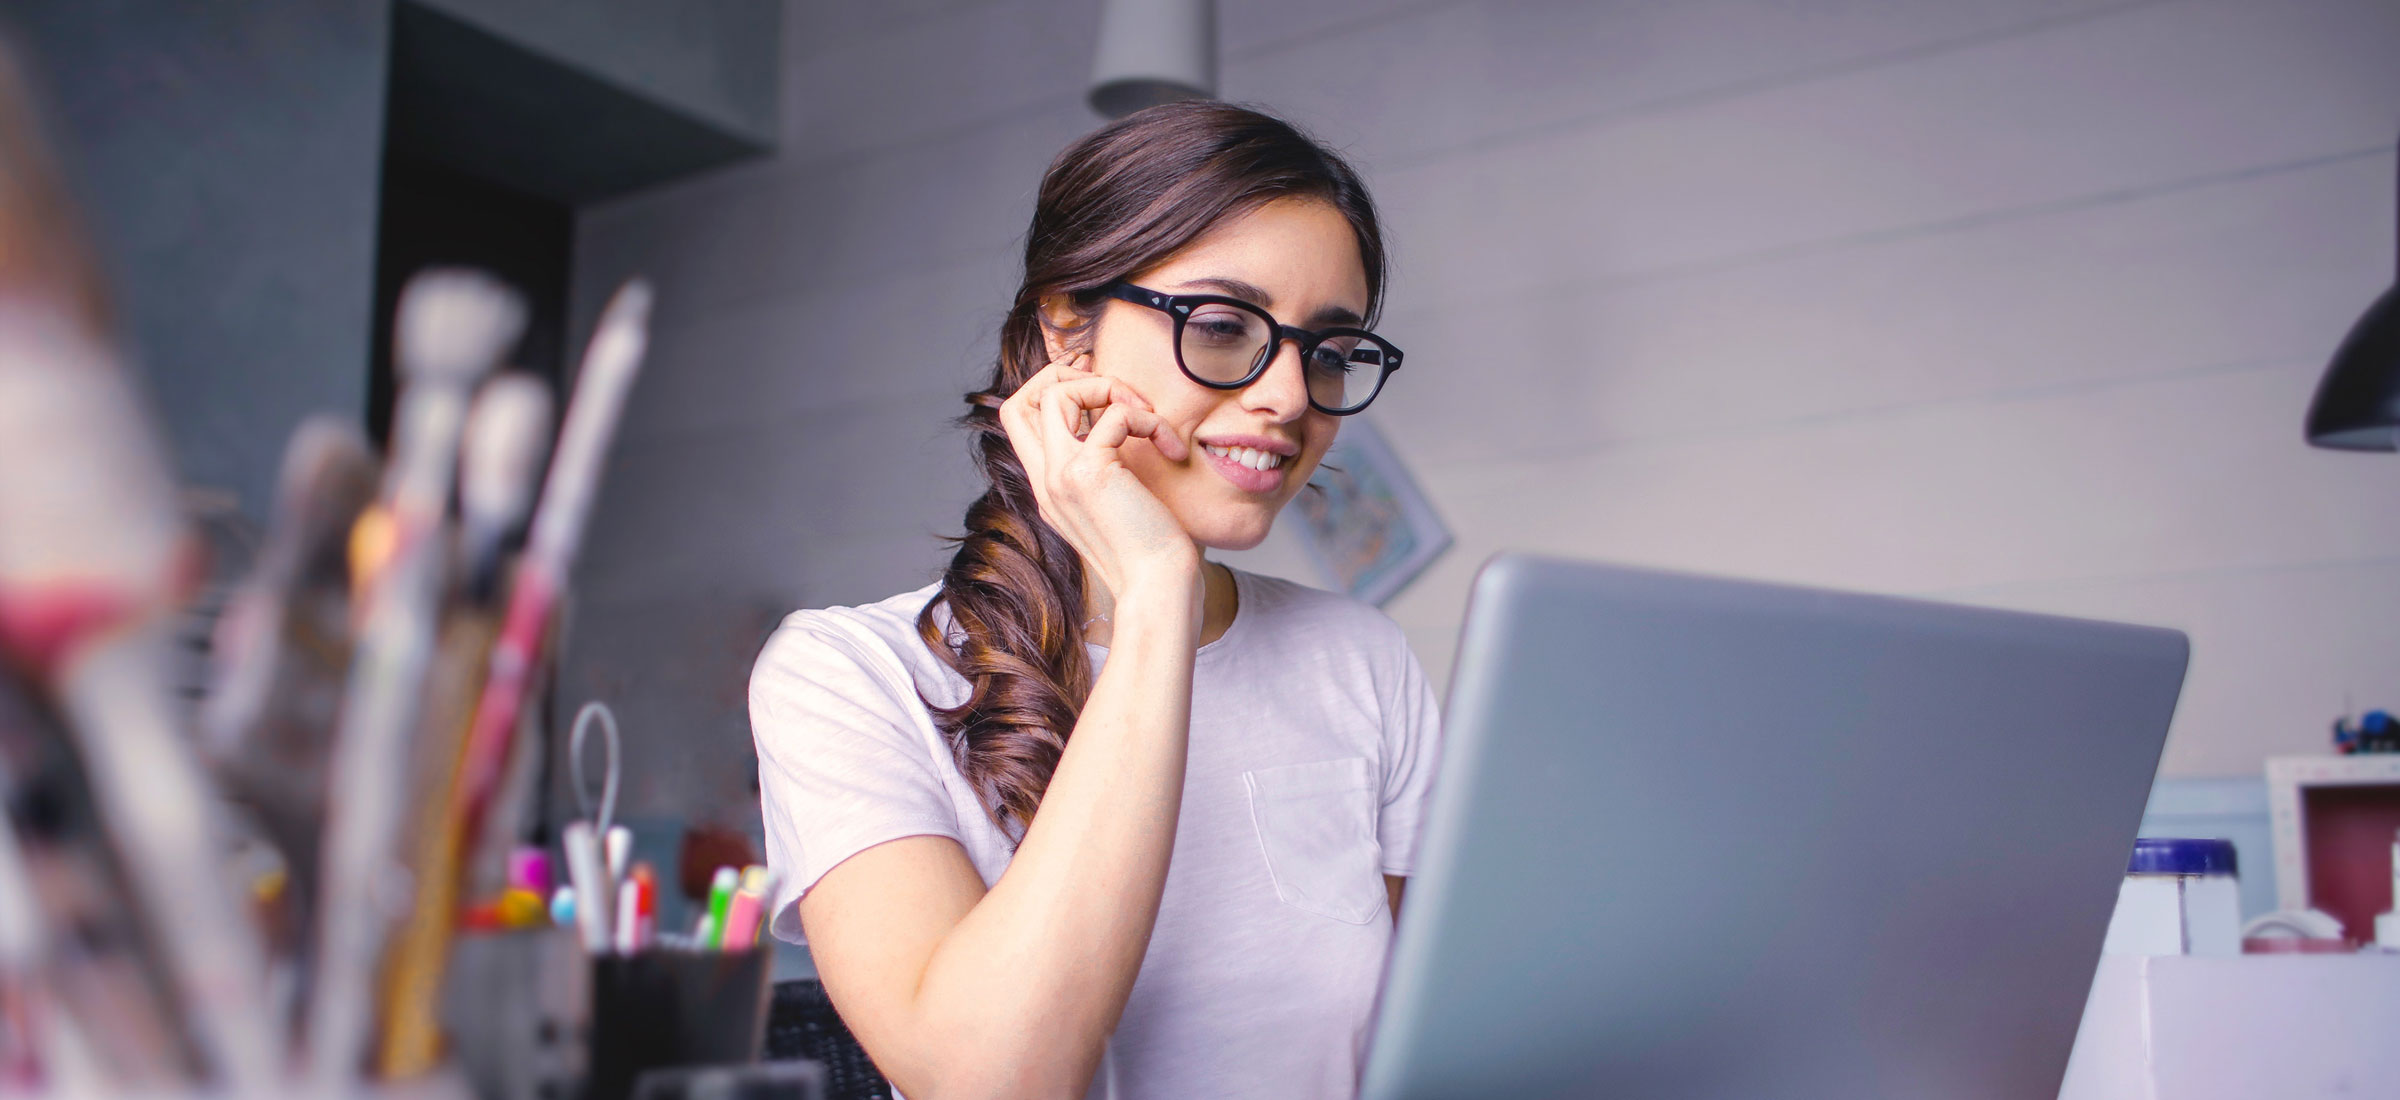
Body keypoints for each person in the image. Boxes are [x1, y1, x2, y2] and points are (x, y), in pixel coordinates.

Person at [749, 101, 1441, 1100]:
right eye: (1222, 326)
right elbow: (993, 1078)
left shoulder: (1362, 660)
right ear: (1066, 333)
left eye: (1327, 350)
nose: (1289, 396)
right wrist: (1158, 592)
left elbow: (1424, 1046)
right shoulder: (846, 675)